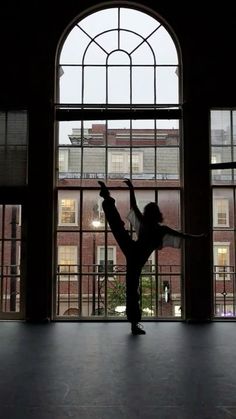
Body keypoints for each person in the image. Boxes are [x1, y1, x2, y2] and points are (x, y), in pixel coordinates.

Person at [98, 179, 205, 335]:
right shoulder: (161, 229)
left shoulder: (146, 222)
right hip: (137, 257)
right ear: (158, 214)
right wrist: (199, 237)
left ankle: (107, 198)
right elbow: (183, 235)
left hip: (132, 250)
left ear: (148, 213)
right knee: (132, 290)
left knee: (118, 228)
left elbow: (134, 206)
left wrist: (132, 188)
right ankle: (134, 324)